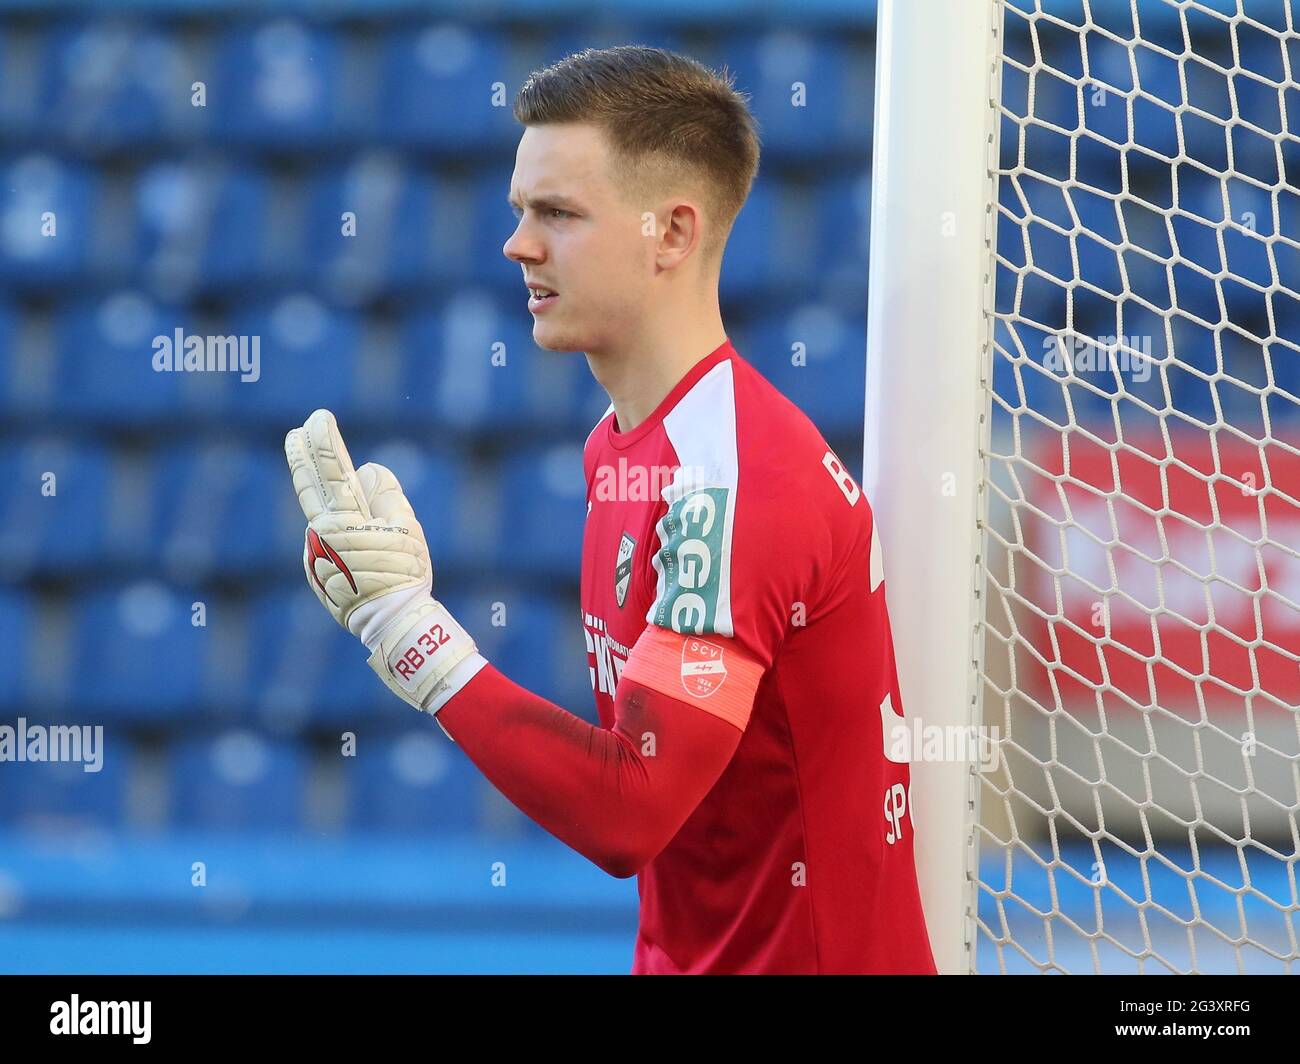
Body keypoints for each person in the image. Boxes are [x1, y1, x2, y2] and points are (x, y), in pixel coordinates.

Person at [285, 45, 935, 975]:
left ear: (670, 234)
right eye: (520, 212)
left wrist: (408, 633)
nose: (519, 244)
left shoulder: (730, 480)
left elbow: (630, 809)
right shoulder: (620, 448)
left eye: (557, 213)